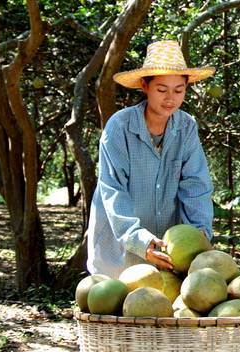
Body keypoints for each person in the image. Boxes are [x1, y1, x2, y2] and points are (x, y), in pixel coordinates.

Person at [87, 40, 215, 278]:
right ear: (144, 86)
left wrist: (199, 234)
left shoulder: (186, 127)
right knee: (117, 308)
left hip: (168, 253)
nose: (170, 98)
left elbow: (196, 185)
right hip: (118, 253)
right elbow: (113, 190)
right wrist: (140, 241)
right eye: (161, 89)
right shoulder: (120, 127)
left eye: (179, 90)